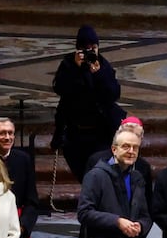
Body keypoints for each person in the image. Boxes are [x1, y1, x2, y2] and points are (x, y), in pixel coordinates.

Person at [52, 25, 125, 184]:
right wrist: (77, 70)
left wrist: (98, 75)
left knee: (97, 167)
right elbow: (60, 88)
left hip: (101, 130)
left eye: (94, 48)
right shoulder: (68, 64)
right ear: (78, 49)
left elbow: (113, 94)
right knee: (82, 170)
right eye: (86, 48)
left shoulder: (103, 65)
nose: (90, 52)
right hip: (75, 130)